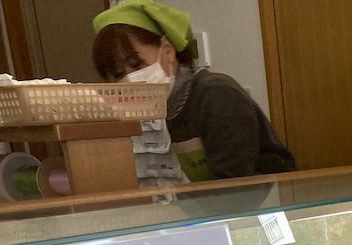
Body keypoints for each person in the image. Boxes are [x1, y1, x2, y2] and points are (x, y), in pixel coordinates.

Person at [92, 0, 296, 182]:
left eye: (137, 65)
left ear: (168, 50)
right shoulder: (150, 114)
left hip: (265, 204)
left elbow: (232, 185)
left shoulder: (216, 94)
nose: (130, 79)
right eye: (119, 74)